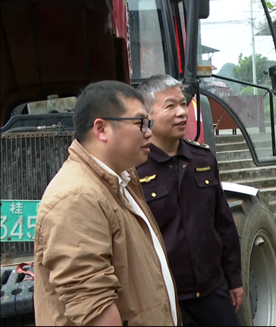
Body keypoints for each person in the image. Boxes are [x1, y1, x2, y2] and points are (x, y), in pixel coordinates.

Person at [33, 81, 179, 326]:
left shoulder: (121, 180)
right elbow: (95, 311)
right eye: (140, 123)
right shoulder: (77, 198)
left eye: (149, 123)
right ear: (101, 129)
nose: (148, 133)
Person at [136, 74, 243, 326]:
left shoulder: (202, 159)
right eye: (170, 106)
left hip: (213, 292)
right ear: (147, 114)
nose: (182, 113)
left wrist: (234, 280)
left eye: (183, 104)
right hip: (167, 299)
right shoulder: (135, 170)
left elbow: (224, 225)